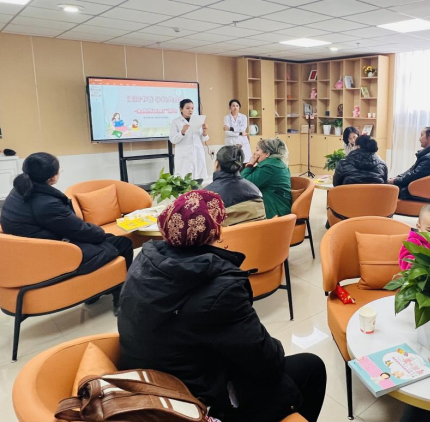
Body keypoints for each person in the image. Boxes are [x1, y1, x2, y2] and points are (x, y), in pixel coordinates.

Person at [118, 190, 327, 422]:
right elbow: (266, 360)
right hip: (195, 403)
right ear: (216, 230)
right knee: (311, 368)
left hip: (149, 387)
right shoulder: (220, 288)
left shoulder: (144, 261)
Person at [0, 152, 133, 276]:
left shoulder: (19, 190)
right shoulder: (47, 204)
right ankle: (121, 288)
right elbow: (80, 230)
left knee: (108, 238)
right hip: (53, 254)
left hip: (29, 251)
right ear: (52, 178)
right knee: (122, 243)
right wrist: (100, 232)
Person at [205, 145, 266, 226]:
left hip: (226, 234)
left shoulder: (205, 196)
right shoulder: (256, 191)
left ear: (216, 164)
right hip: (256, 233)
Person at [388, 126, 430, 200]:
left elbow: (414, 176)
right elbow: (412, 170)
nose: (419, 139)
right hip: (417, 187)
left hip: (415, 191)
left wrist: (395, 181)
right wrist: (397, 178)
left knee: (384, 188)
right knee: (386, 183)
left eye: (422, 135)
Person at [241, 138, 291, 219]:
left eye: (257, 150)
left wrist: (250, 164)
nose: (255, 153)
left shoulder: (269, 167)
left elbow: (244, 185)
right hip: (280, 207)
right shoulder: (277, 163)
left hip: (275, 211)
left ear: (267, 153)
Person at [170, 99, 209, 180]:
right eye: (187, 108)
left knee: (198, 179)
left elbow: (203, 138)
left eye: (192, 108)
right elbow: (173, 140)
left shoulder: (197, 120)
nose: (190, 110)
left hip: (197, 153)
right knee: (185, 179)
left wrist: (205, 131)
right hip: (184, 155)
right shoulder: (175, 122)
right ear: (181, 109)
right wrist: (182, 132)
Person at [223, 99, 251, 164]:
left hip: (242, 142)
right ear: (230, 107)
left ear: (239, 107)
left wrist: (231, 128)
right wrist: (240, 133)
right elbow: (227, 133)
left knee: (245, 161)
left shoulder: (243, 117)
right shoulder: (226, 118)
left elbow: (243, 128)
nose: (235, 108)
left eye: (237, 106)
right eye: (233, 106)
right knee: (232, 163)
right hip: (231, 143)